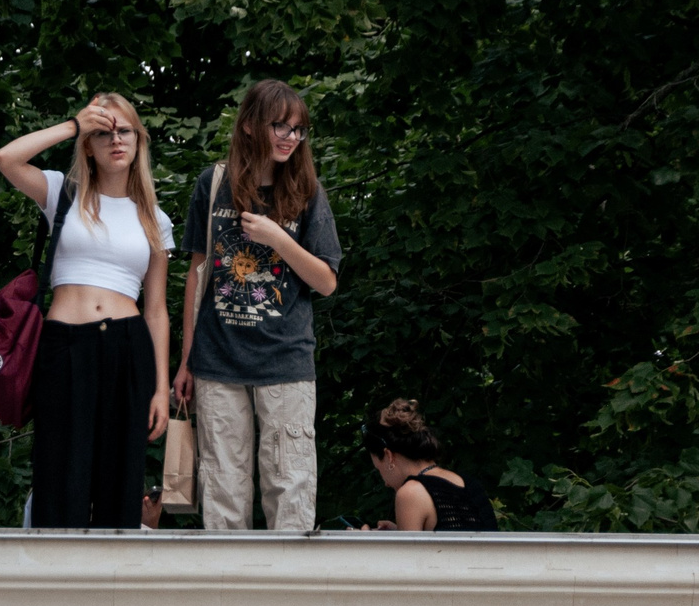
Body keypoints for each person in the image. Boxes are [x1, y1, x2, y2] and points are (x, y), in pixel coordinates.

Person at [0, 95, 173, 527]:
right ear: (88, 146)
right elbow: (6, 158)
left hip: (128, 346)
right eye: (102, 133)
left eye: (124, 131)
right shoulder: (62, 193)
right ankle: (53, 583)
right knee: (60, 469)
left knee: (119, 474)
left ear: (138, 141)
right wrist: (73, 125)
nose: (115, 140)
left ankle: (113, 583)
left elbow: (157, 310)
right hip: (64, 344)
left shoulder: (153, 218)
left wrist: (161, 389)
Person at [173, 80, 341, 531]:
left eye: (298, 129)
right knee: (223, 490)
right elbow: (197, 274)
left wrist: (278, 238)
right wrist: (186, 359)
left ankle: (289, 597)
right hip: (217, 360)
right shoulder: (214, 185)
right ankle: (228, 595)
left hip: (285, 360)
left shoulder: (307, 191)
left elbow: (326, 281)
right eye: (279, 125)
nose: (290, 136)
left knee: (290, 487)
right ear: (249, 126)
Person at [365, 398, 499, 531]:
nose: (386, 483)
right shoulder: (471, 484)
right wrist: (397, 532)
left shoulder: (410, 492)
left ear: (389, 456)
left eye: (379, 469)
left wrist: (366, 542)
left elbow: (407, 553)